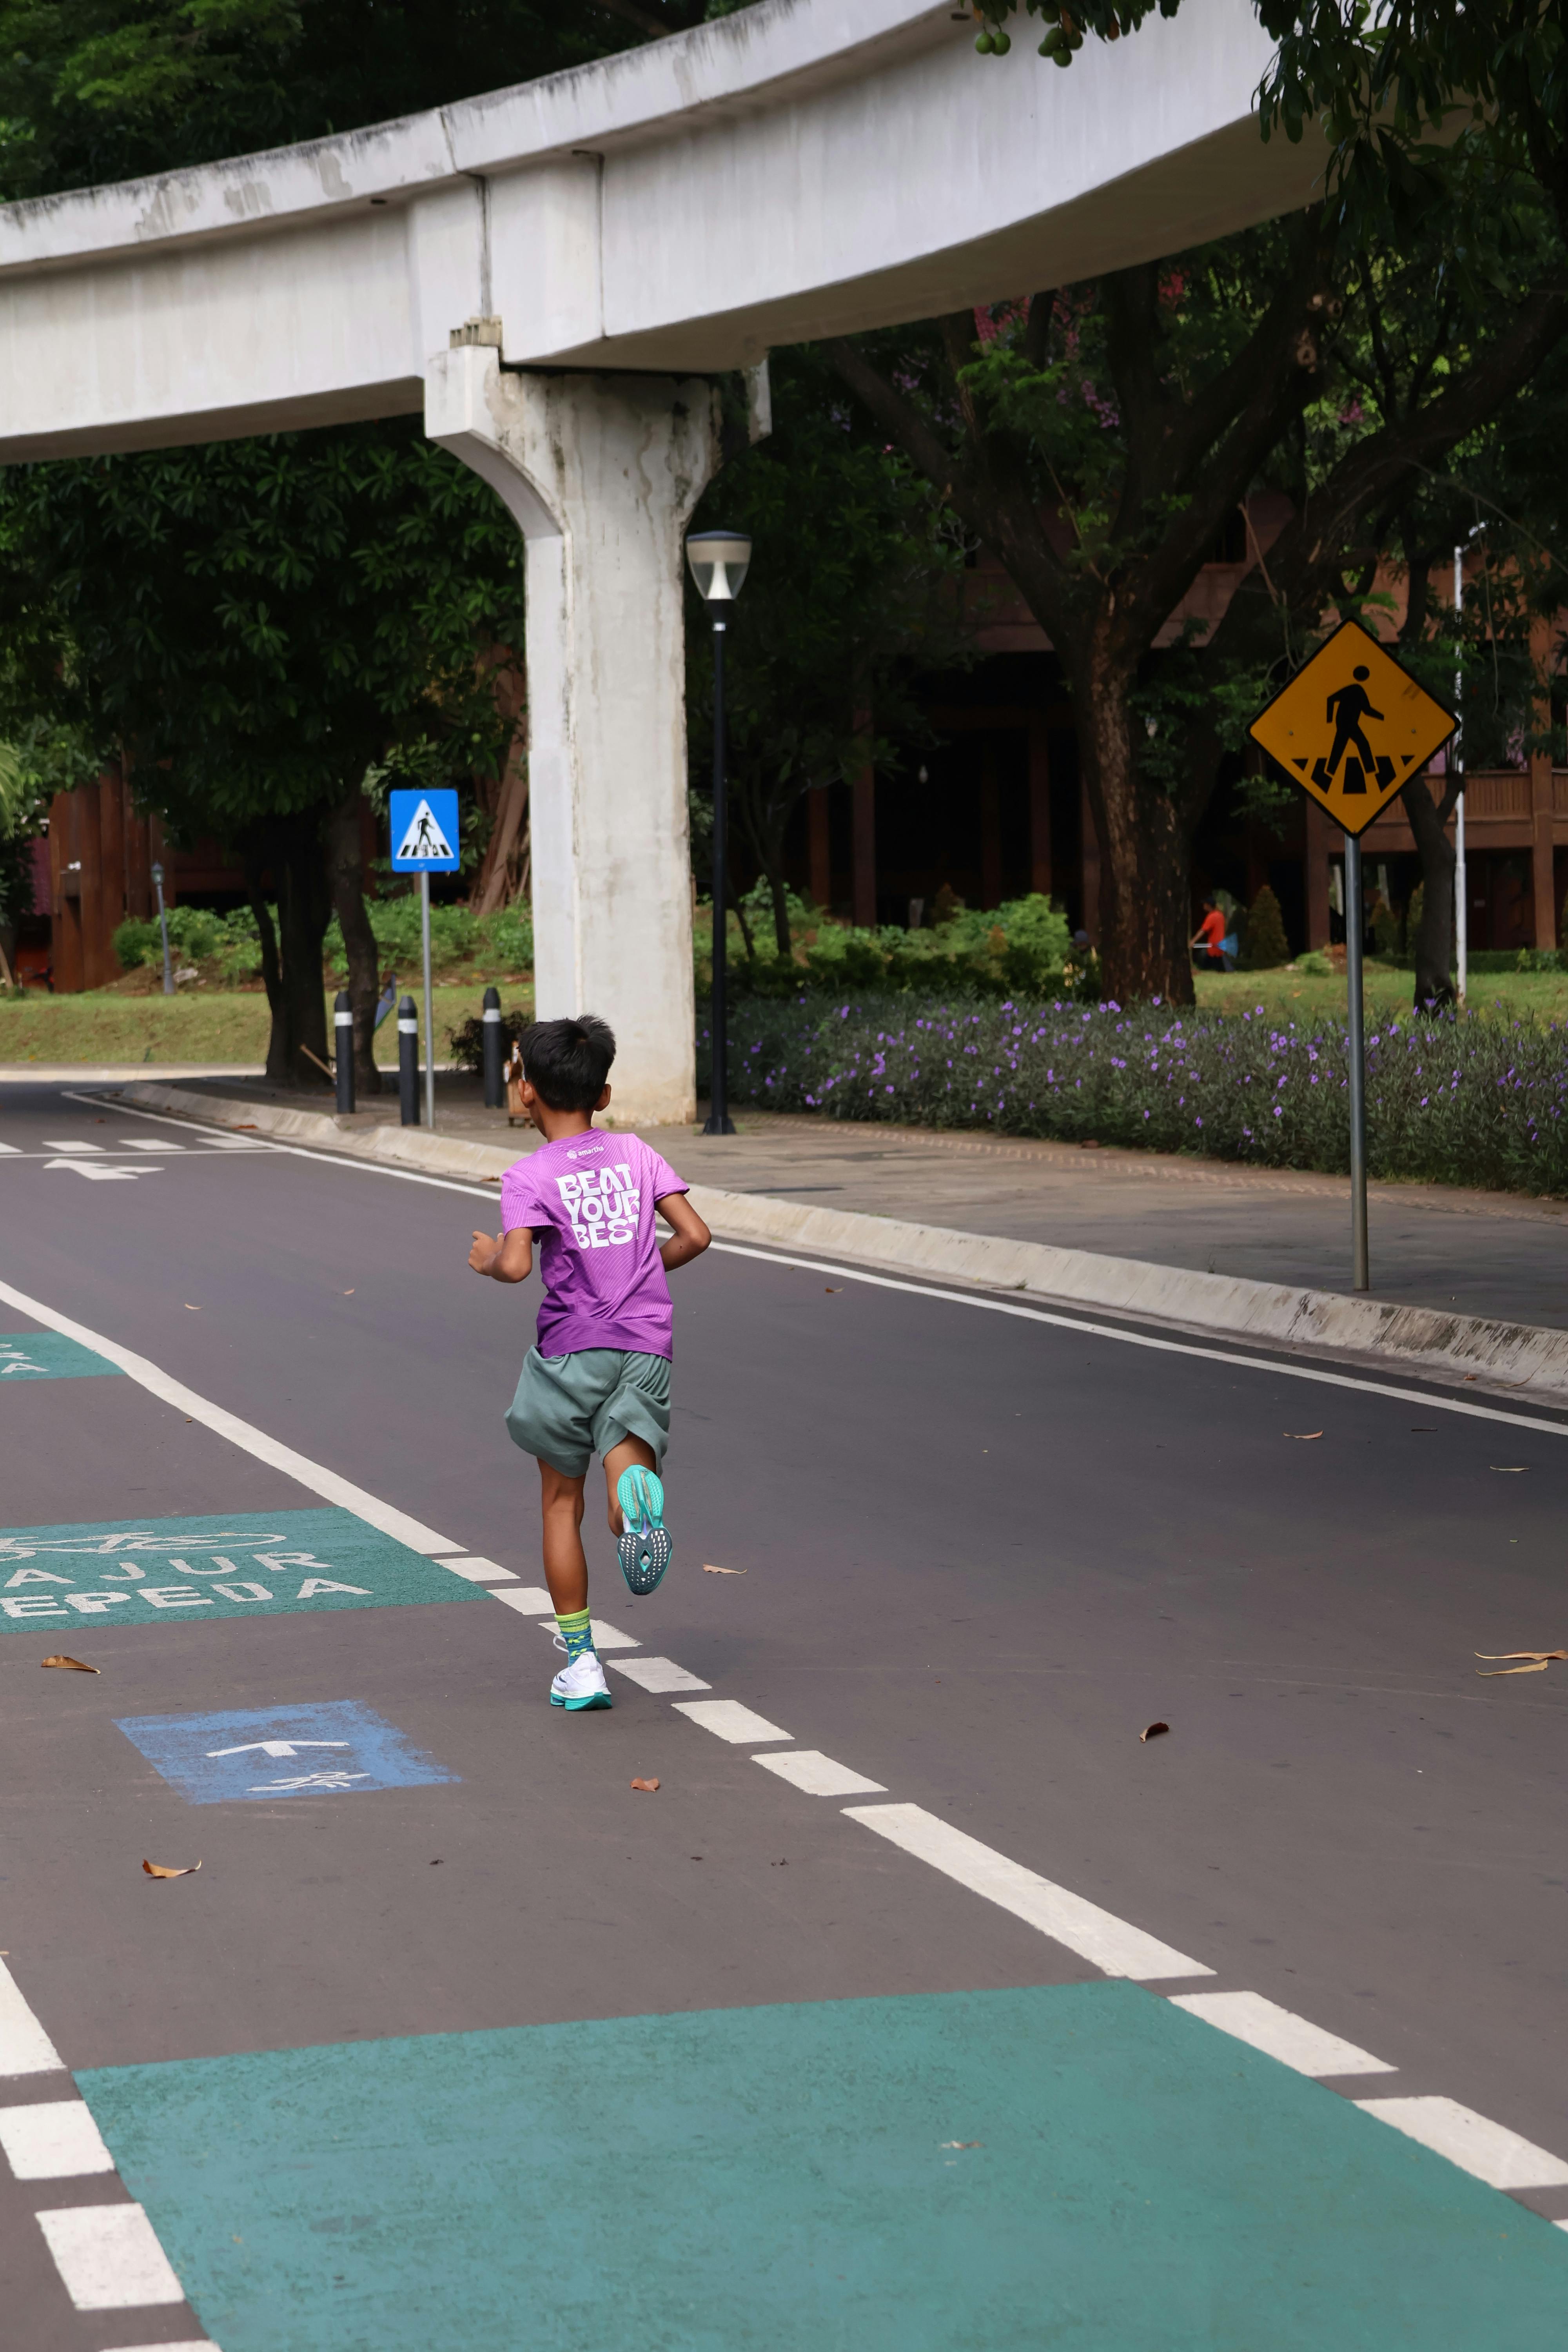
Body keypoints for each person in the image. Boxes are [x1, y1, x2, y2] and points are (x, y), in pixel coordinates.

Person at [468, 1015, 711, 1713]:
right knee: (626, 1461)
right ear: (602, 1094)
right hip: (644, 1344)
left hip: (573, 1347)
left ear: (525, 1094)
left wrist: (488, 1260)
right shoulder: (636, 1154)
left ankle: (583, 1666)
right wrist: (641, 1270)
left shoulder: (530, 1174)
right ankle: (637, 1503)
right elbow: (695, 1234)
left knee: (559, 1502)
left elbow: (517, 1266)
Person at [1190, 897, 1227, 971]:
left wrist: (1192, 942)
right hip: (1221, 946)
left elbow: (1203, 931)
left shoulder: (1212, 917)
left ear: (1209, 906)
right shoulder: (1220, 915)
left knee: (1205, 965)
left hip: (1213, 948)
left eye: (1205, 904)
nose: (1203, 906)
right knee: (1219, 966)